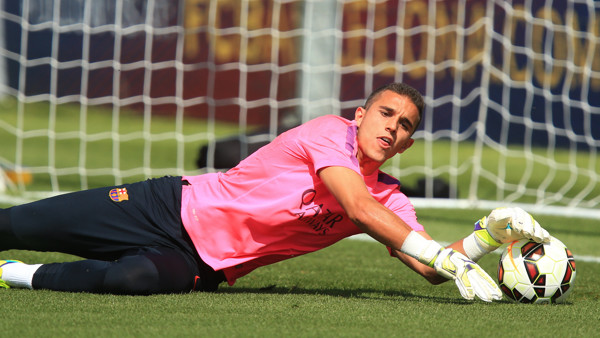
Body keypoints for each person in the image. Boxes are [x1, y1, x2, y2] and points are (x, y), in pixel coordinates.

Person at [0, 83, 550, 301]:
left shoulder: (391, 200)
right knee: (18, 222)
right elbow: (356, 205)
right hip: (167, 206)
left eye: (405, 125)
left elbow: (430, 268)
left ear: (407, 144)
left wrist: (482, 238)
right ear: (360, 117)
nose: (393, 127)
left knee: (131, 278)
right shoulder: (328, 135)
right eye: (385, 114)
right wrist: (444, 255)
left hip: (205, 265)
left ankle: (16, 274)